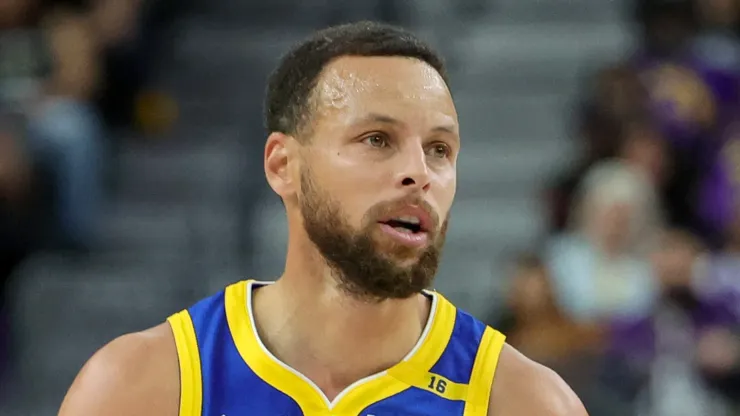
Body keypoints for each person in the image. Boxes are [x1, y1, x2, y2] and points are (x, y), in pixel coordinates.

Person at [57, 22, 588, 416]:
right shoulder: (141, 387)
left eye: (440, 149)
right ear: (282, 165)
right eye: (377, 139)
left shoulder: (524, 402)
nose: (418, 173)